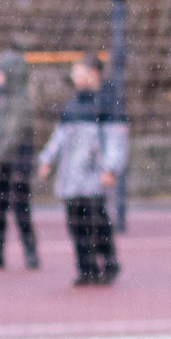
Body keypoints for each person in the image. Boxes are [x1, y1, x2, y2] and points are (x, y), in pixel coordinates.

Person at [37, 54, 126, 287]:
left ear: (93, 73)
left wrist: (110, 168)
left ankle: (109, 263)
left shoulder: (107, 104)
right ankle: (86, 268)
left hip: (93, 178)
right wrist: (47, 159)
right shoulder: (72, 105)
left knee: (98, 222)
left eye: (79, 72)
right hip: (71, 179)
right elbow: (60, 137)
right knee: (76, 224)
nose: (75, 77)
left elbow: (116, 141)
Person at [0, 50, 39, 271]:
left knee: (21, 209)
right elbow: (0, 134)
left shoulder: (20, 102)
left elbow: (12, 135)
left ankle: (31, 253)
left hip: (17, 165)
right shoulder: (5, 100)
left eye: (0, 72)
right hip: (4, 164)